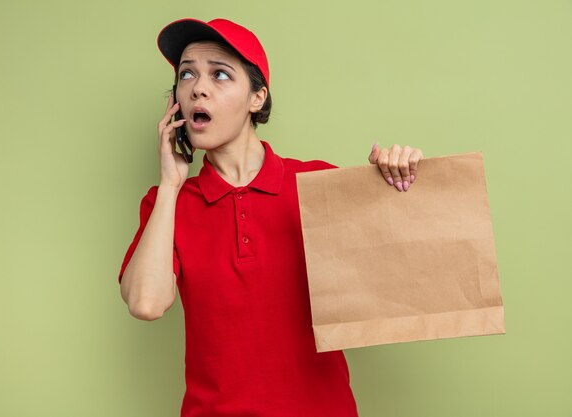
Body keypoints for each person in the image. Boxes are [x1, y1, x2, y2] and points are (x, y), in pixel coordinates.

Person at [118, 17, 424, 417]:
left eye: (220, 74)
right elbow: (145, 303)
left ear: (257, 98)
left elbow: (398, 272)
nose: (198, 88)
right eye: (186, 74)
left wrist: (397, 181)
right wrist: (172, 184)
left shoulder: (317, 183)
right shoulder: (167, 203)